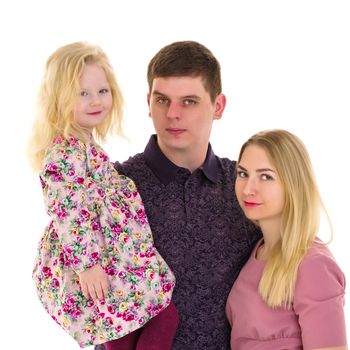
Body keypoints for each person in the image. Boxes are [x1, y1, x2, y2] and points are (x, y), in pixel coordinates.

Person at [95, 40, 262, 350]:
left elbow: (294, 262)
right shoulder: (113, 187)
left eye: (188, 101)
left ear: (218, 106)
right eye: (162, 100)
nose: (172, 113)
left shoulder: (247, 187)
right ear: (148, 103)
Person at [29, 41, 179, 349]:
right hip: (97, 260)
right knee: (152, 321)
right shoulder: (64, 151)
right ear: (60, 99)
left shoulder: (85, 146)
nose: (95, 101)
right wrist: (87, 264)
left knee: (141, 324)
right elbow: (69, 211)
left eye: (102, 91)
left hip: (115, 257)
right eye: (82, 93)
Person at [226, 129, 347, 349]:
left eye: (266, 177)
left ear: (293, 184)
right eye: (243, 173)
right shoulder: (257, 251)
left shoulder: (313, 265)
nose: (248, 189)